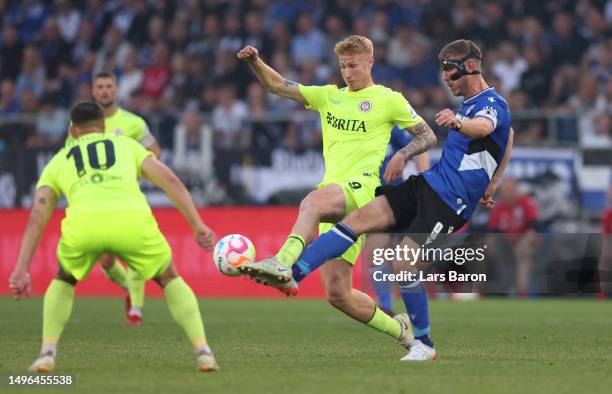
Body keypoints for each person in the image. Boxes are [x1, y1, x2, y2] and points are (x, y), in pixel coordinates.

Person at [263, 39, 514, 361]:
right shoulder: (470, 104)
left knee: (403, 264)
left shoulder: (490, 104)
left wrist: (460, 123)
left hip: (451, 202)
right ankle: (292, 274)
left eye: (450, 73)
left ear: (469, 67)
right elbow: (509, 136)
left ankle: (424, 343)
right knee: (356, 221)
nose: (446, 80)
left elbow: (485, 128)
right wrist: (495, 179)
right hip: (428, 183)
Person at [236, 35, 437, 352]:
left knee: (312, 201)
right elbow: (277, 86)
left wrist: (404, 155)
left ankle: (282, 263)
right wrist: (255, 62)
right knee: (338, 294)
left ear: (370, 61)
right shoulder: (329, 96)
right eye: (343, 66)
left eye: (353, 65)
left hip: (362, 191)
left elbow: (427, 135)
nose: (347, 72)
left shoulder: (389, 99)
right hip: (336, 195)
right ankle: (402, 331)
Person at [8, 102, 218, 373]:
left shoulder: (59, 160)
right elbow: (171, 181)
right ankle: (203, 351)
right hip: (131, 222)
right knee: (168, 278)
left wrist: (22, 268)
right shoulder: (126, 146)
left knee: (64, 278)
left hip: (85, 227)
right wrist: (198, 225)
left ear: (72, 130)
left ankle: (47, 353)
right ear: (104, 125)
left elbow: (37, 215)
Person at [88, 71, 161, 326]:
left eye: (109, 86)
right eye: (100, 87)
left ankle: (136, 311)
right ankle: (130, 290)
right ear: (93, 91)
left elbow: (154, 152)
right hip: (96, 201)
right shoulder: (83, 124)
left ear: (117, 90)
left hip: (128, 199)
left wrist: (136, 176)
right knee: (106, 261)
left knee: (132, 252)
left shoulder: (133, 123)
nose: (105, 91)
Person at [370, 128, 430, 315]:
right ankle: (386, 307)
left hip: (405, 195)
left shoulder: (394, 125)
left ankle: (416, 310)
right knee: (375, 253)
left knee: (410, 261)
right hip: (379, 197)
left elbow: (422, 146)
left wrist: (424, 178)